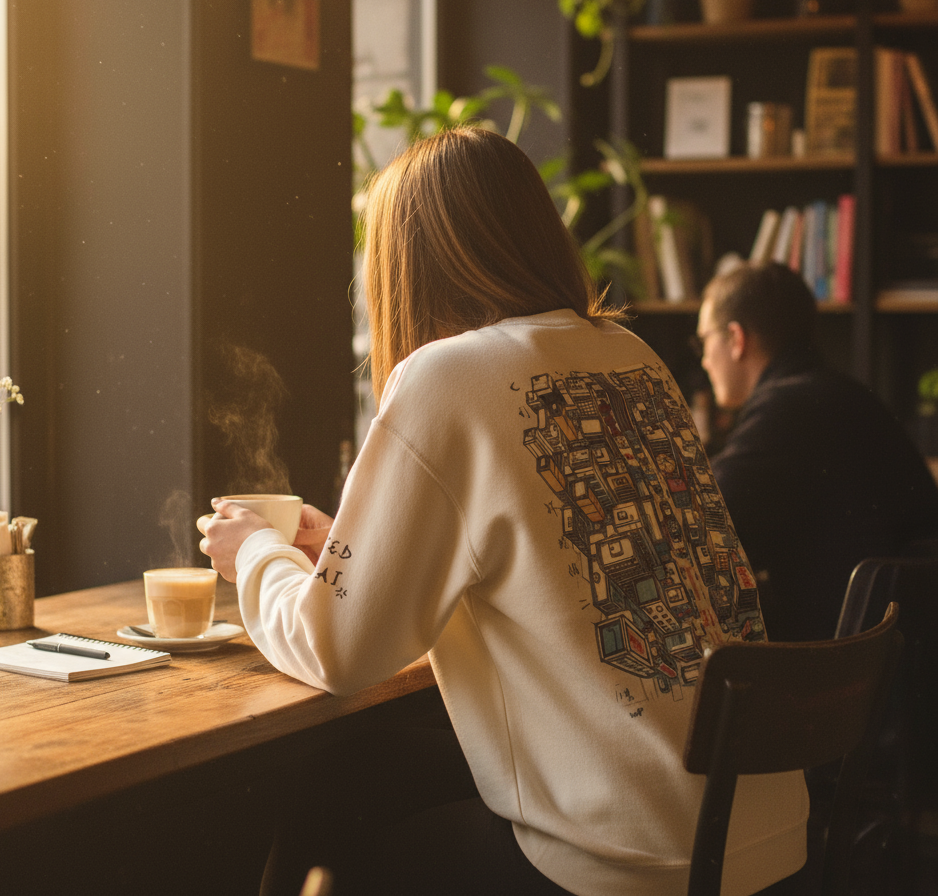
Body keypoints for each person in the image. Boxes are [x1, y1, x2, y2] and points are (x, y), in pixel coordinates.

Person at [200, 127, 808, 896]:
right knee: (361, 775)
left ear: (404, 267)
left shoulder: (446, 376)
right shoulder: (633, 356)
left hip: (628, 860)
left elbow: (338, 652)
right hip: (763, 835)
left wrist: (259, 554)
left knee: (330, 804)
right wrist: (357, 546)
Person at [696, 261, 938, 642]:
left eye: (704, 340)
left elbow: (704, 529)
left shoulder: (787, 407)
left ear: (736, 338)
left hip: (845, 661)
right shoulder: (838, 391)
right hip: (896, 653)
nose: (704, 359)